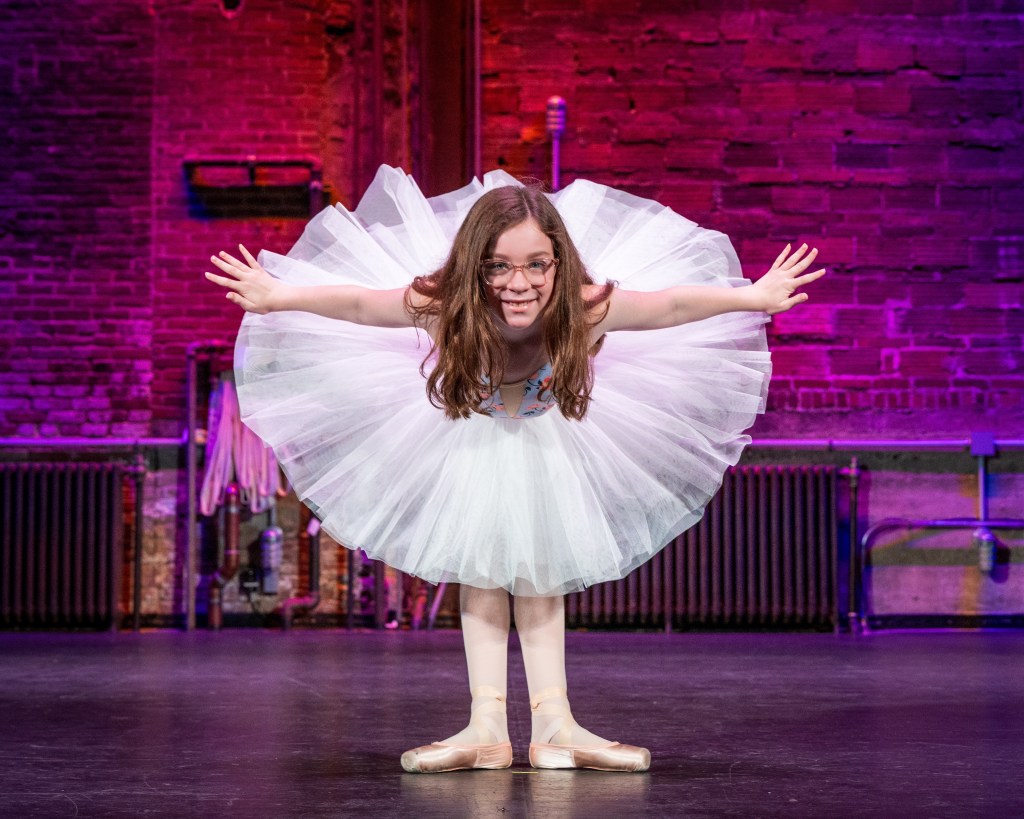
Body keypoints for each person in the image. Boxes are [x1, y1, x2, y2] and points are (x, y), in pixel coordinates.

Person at [205, 167, 824, 774]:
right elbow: (362, 303)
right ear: (474, 268)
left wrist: (754, 297)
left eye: (536, 265)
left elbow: (672, 304)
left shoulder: (587, 309)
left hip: (543, 440)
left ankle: (555, 725)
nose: (519, 283)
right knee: (481, 569)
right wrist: (278, 296)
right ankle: (487, 725)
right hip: (472, 441)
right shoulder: (442, 304)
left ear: (559, 263)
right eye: (497, 266)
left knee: (540, 569)